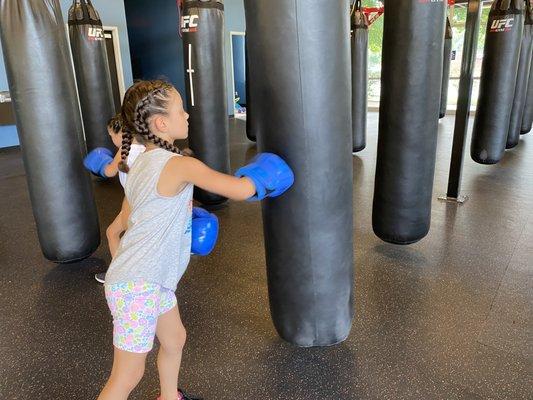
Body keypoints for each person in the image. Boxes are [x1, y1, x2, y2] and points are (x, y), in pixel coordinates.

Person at [97, 80, 294, 400]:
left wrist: (177, 226)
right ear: (161, 123)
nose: (186, 115)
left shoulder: (137, 165)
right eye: (179, 110)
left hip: (149, 279)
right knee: (127, 374)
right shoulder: (180, 165)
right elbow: (240, 190)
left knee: (174, 338)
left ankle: (168, 396)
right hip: (138, 284)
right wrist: (267, 173)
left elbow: (128, 220)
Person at [84, 114, 146, 283]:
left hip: (135, 203)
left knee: (113, 233)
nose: (111, 139)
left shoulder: (124, 150)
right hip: (147, 201)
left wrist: (100, 164)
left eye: (112, 135)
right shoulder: (146, 147)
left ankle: (120, 276)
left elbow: (109, 171)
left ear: (121, 133)